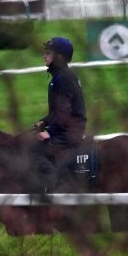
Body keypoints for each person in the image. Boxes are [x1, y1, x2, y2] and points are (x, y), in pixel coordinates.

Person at [34, 36, 87, 190]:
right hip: (66, 128)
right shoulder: (60, 76)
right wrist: (43, 122)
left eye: (48, 53)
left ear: (59, 57)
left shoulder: (63, 78)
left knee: (34, 151)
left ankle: (51, 186)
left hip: (69, 132)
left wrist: (49, 132)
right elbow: (57, 112)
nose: (44, 56)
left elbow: (64, 112)